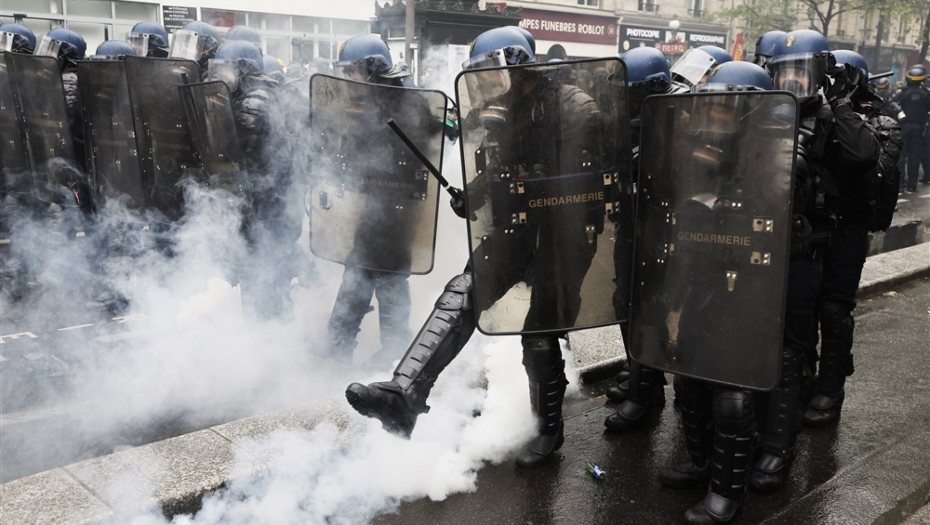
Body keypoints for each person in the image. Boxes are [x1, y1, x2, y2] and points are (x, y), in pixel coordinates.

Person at [344, 27, 616, 469]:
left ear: (518, 62)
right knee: (463, 292)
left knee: (539, 335)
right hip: (520, 226)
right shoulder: (504, 108)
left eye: (491, 70)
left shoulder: (574, 106)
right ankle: (404, 394)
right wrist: (472, 194)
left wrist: (532, 176)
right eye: (480, 73)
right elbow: (500, 170)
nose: (486, 81)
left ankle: (548, 430)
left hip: (565, 234)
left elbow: (589, 182)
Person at [747, 29, 881, 495]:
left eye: (802, 71)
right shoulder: (765, 109)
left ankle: (781, 445)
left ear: (821, 72)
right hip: (761, 243)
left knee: (798, 341)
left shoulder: (835, 116)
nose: (793, 80)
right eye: (784, 71)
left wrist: (839, 106)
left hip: (812, 245)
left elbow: (864, 157)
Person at [800, 50, 902, 429]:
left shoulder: (883, 123)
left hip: (848, 229)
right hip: (812, 226)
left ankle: (831, 387)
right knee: (801, 307)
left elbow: (865, 165)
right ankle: (802, 379)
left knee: (833, 308)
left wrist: (840, 107)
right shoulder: (815, 114)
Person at [322, 35, 419, 362]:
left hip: (397, 216)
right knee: (357, 280)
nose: (349, 80)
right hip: (371, 216)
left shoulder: (407, 103)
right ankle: (337, 357)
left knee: (389, 286)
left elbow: (412, 156)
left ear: (373, 68)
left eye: (353, 72)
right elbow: (351, 154)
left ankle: (393, 366)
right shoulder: (365, 101)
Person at [603, 46, 672, 432]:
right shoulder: (628, 127)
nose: (624, 103)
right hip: (630, 227)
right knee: (625, 301)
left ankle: (644, 396)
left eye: (630, 95)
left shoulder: (673, 126)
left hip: (659, 231)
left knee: (648, 309)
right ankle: (642, 374)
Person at [208, 40, 295, 319]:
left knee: (261, 267)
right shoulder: (253, 93)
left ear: (243, 68)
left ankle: (267, 330)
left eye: (227, 69)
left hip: (264, 200)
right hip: (267, 198)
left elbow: (237, 145)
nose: (221, 75)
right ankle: (274, 328)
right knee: (265, 268)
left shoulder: (256, 99)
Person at [894, 66, 930, 191]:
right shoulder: (926, 93)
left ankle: (900, 184)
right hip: (919, 128)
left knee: (902, 156)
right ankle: (912, 185)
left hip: (904, 127)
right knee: (915, 156)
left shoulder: (902, 93)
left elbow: (893, 106)